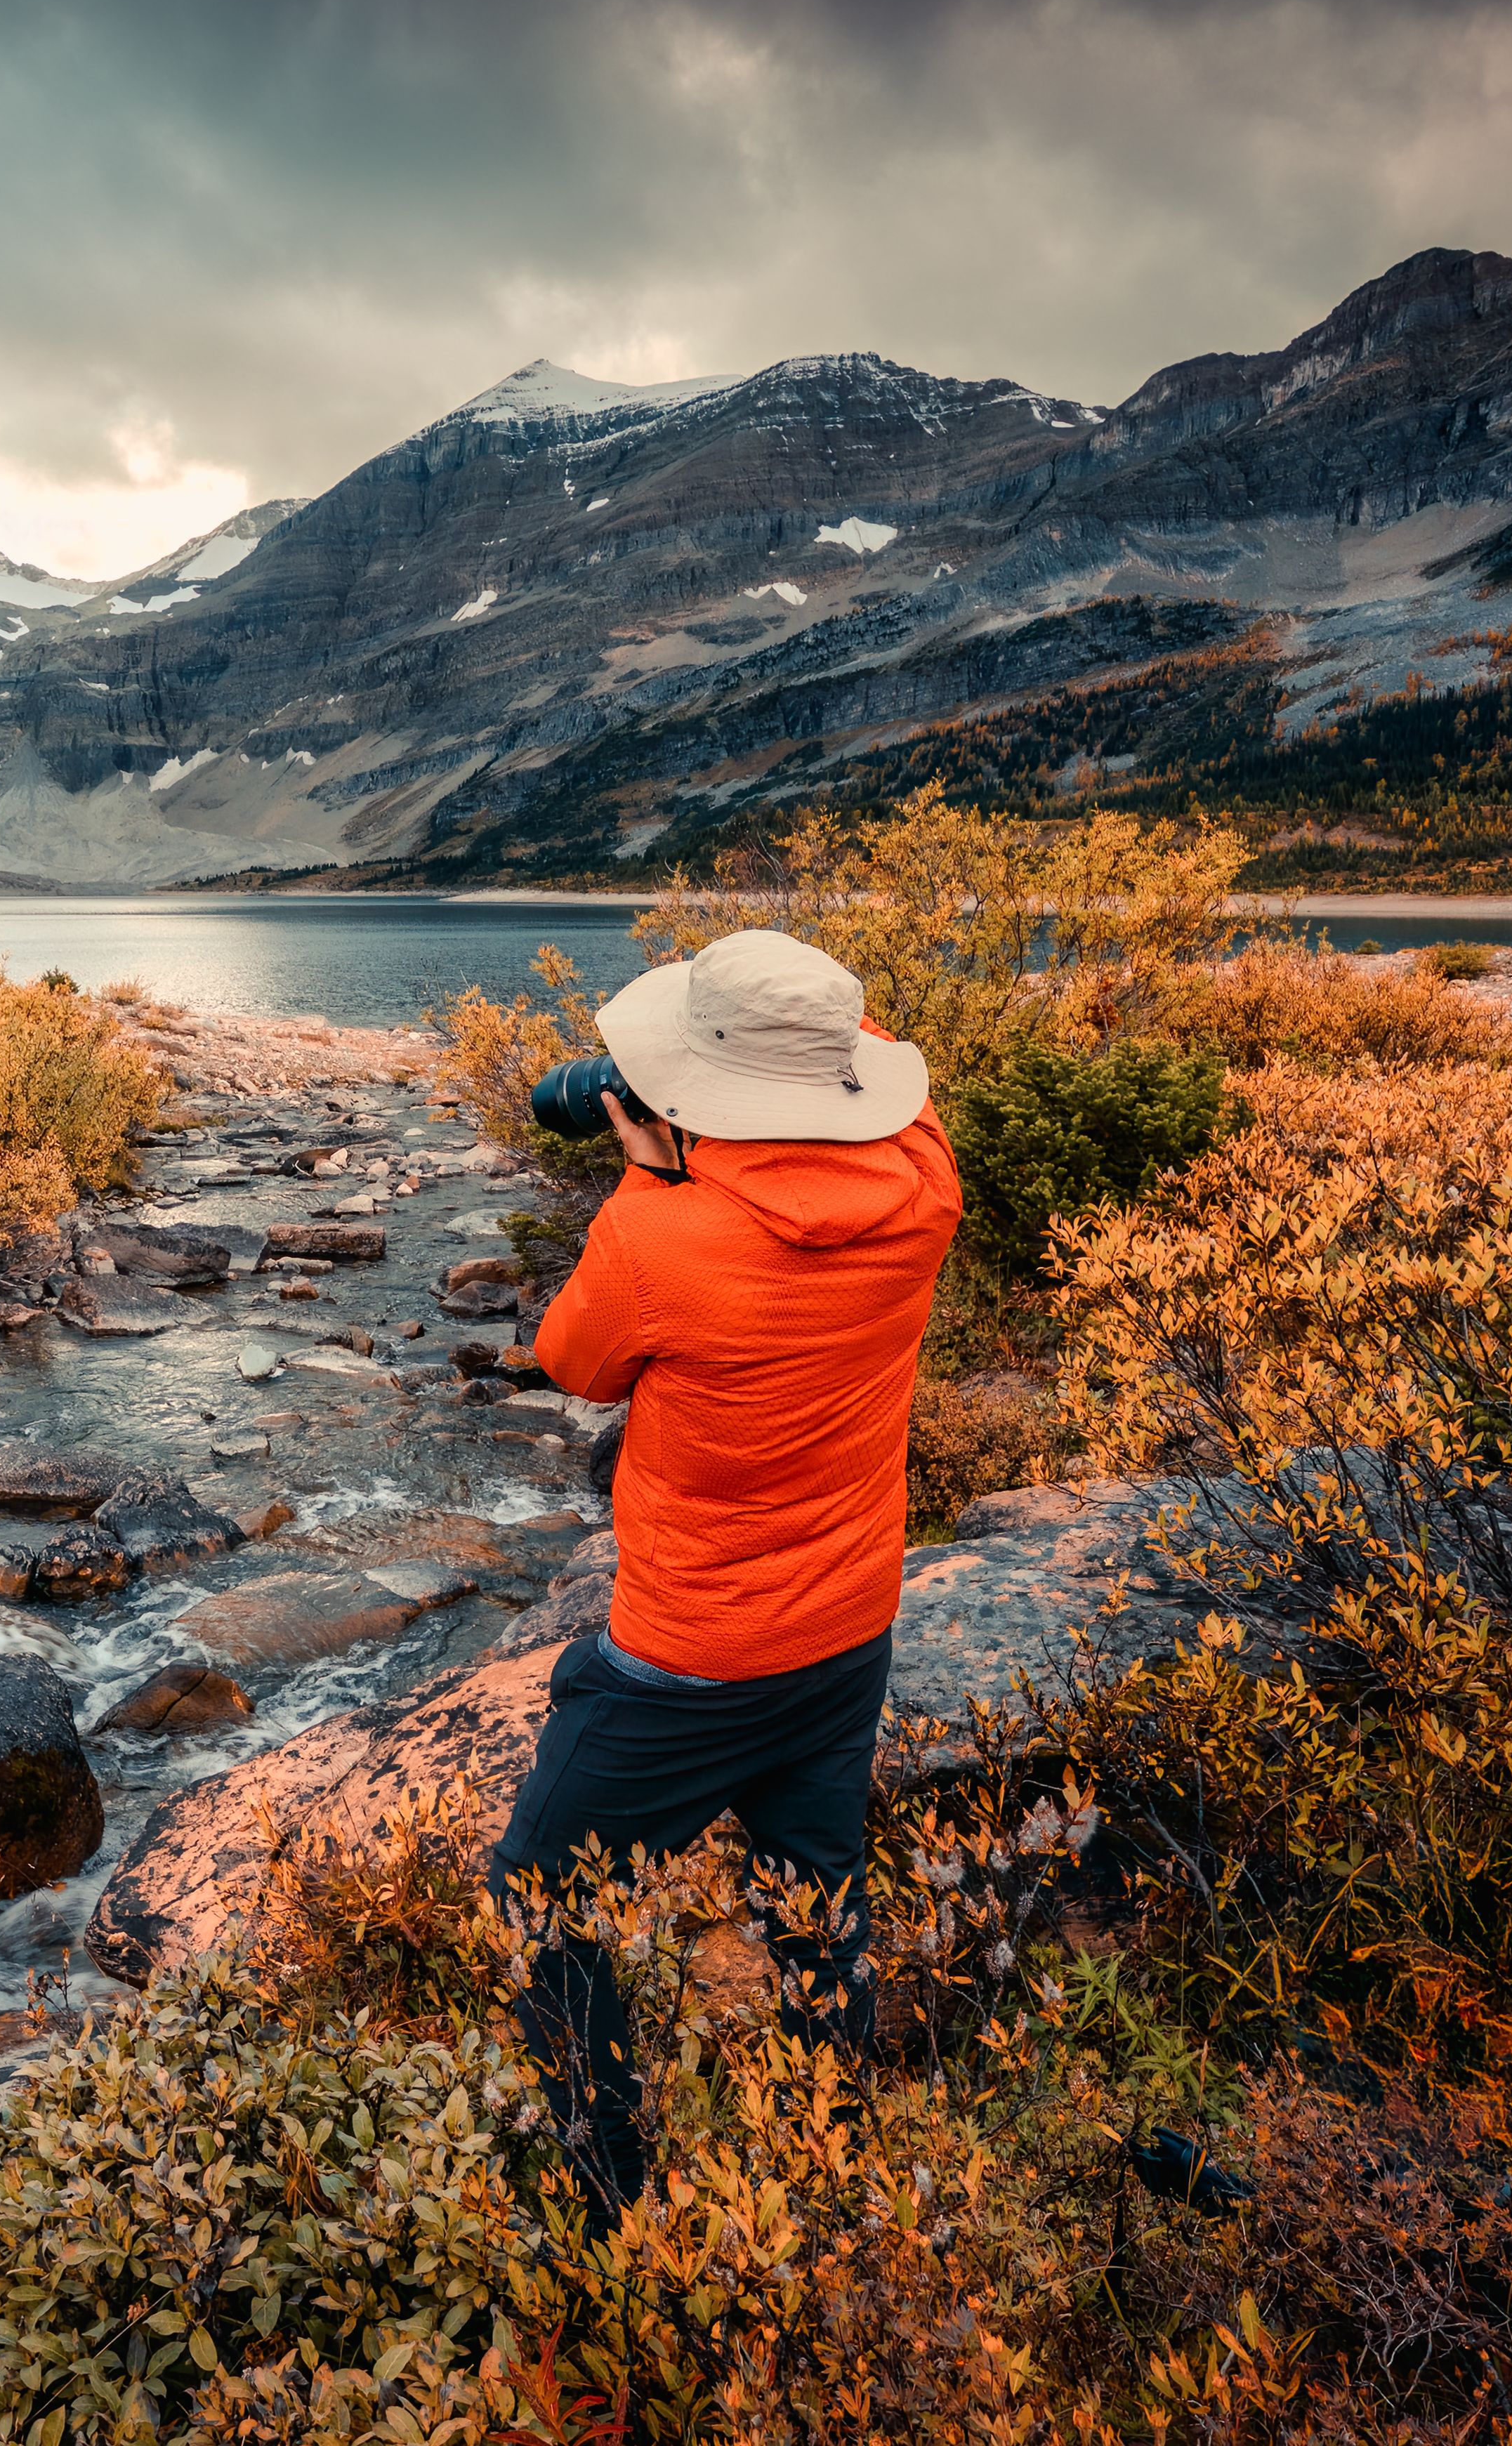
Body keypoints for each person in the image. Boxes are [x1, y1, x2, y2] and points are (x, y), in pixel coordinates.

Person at [496, 926, 961, 2225]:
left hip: (689, 1653)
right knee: (817, 1903)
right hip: (847, 1624)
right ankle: (831, 2162)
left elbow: (574, 1363)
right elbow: (863, 1079)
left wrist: (646, 1164)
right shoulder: (928, 1185)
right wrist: (724, 1091)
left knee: (540, 1895)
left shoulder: (662, 1241)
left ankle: (608, 2194)